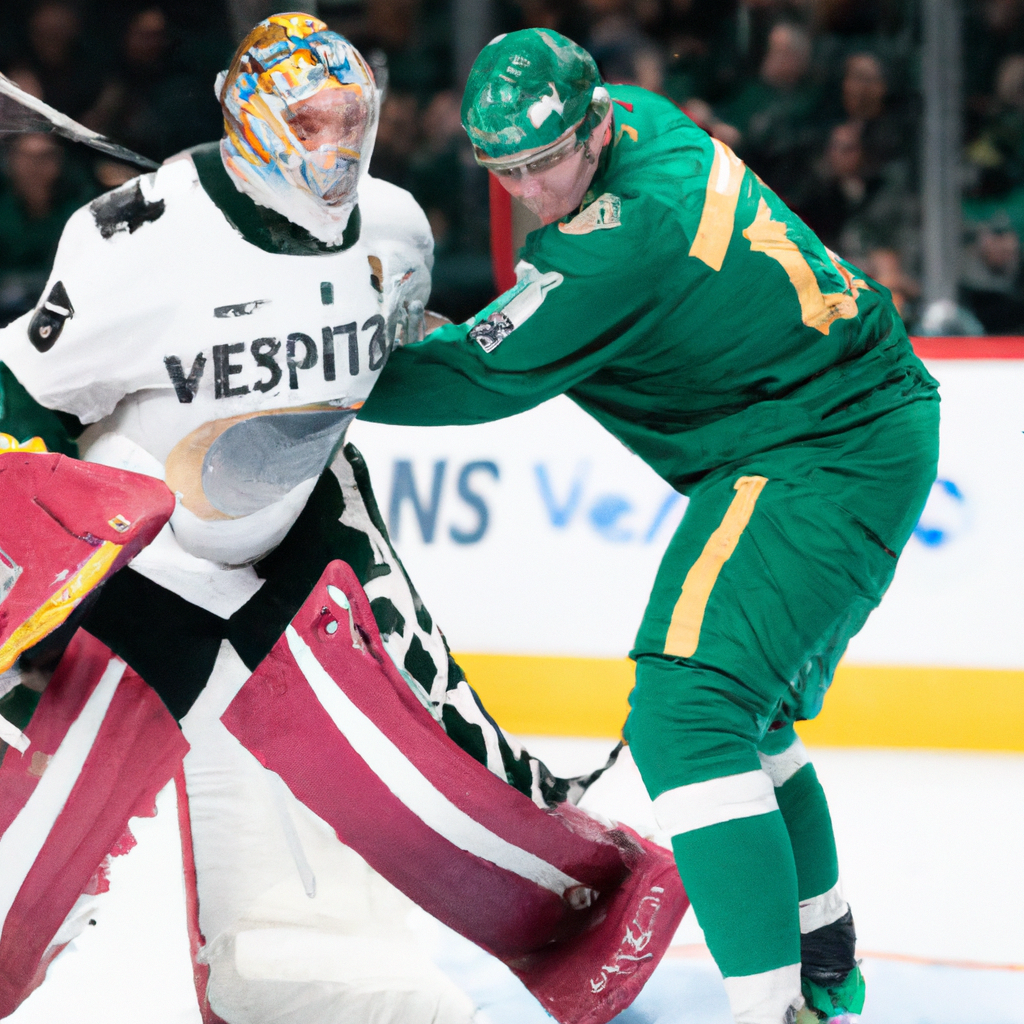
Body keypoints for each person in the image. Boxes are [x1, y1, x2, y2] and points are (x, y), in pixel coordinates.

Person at [0, 15, 676, 1023]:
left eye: (351, 117)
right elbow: (23, 387)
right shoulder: (127, 244)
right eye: (309, 121)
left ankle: (577, 920)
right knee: (31, 841)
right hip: (139, 576)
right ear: (257, 121)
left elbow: (393, 349)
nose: (336, 144)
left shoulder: (398, 229)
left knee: (418, 778)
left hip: (287, 548)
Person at [359, 28, 940, 1024]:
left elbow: (480, 376)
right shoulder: (640, 120)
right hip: (818, 428)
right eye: (503, 170)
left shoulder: (624, 234)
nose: (529, 190)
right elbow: (522, 322)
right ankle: (822, 967)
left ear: (591, 128)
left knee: (685, 711)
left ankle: (777, 1009)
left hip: (822, 448)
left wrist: (316, 357)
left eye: (543, 163)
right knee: (734, 717)